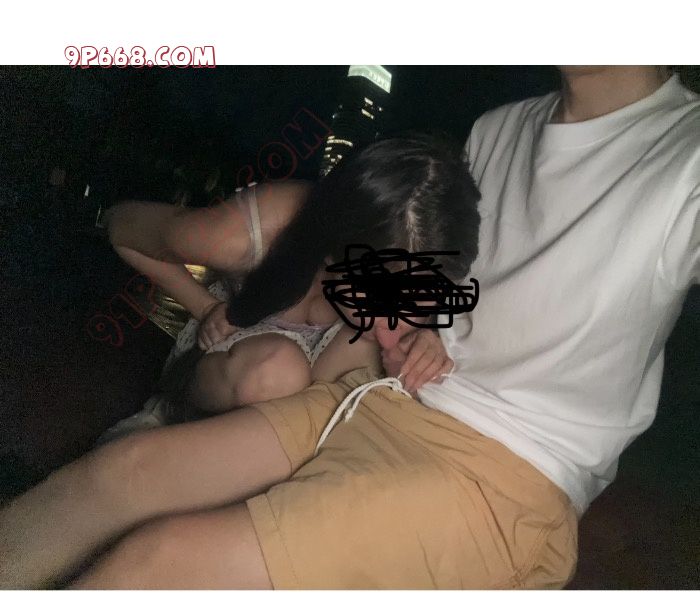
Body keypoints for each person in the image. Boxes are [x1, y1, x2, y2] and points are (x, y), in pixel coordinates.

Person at [1, 66, 697, 590]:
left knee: (159, 562)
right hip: (387, 398)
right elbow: (460, 280)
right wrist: (432, 332)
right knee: (124, 472)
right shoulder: (500, 127)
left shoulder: (684, 156)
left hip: (506, 469)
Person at [0, 135, 481, 589]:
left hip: (283, 419)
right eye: (380, 297)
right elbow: (123, 227)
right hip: (219, 373)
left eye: (418, 301)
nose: (396, 322)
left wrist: (425, 341)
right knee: (277, 370)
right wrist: (207, 308)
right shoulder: (253, 232)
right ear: (338, 248)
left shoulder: (409, 295)